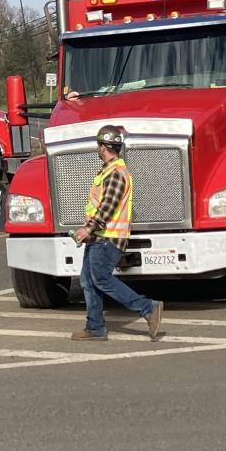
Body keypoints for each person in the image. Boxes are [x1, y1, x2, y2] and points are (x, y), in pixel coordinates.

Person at [72, 124, 164, 342]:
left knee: (101, 279)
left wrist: (88, 228)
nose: (98, 148)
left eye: (99, 145)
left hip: (107, 237)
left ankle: (148, 308)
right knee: (88, 280)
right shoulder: (109, 171)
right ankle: (95, 328)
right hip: (100, 237)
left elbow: (108, 206)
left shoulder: (115, 174)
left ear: (103, 147)